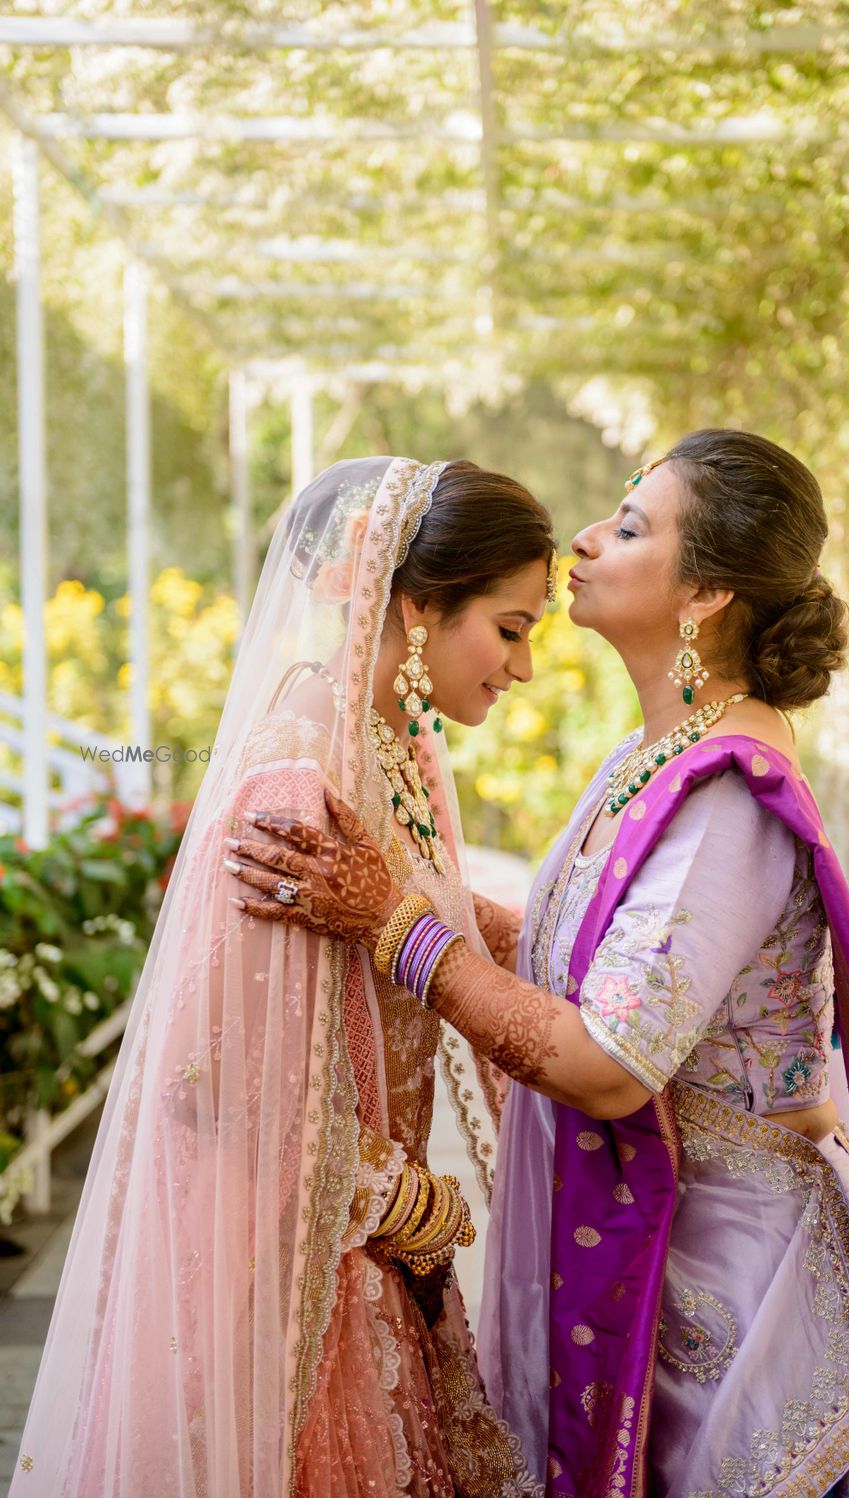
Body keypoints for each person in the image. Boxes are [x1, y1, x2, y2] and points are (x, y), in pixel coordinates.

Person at [229, 431, 849, 1496]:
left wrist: (397, 921)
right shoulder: (653, 755)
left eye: (632, 528)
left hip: (734, 1324)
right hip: (669, 1274)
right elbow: (561, 955)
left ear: (705, 594)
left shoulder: (725, 796)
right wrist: (411, 896)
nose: (586, 536)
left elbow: (605, 1061)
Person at [12, 456, 556, 1497]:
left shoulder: (402, 752)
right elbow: (205, 1075)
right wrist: (402, 1198)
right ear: (415, 603)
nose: (521, 669)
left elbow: (447, 919)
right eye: (511, 628)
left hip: (371, 1260)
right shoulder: (298, 779)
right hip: (298, 1275)